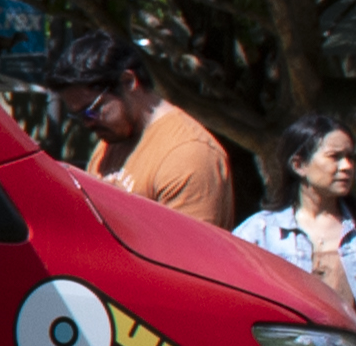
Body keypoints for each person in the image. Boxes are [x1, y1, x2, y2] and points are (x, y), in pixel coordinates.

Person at [53, 35, 240, 227]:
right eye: (78, 116)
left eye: (91, 110)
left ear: (128, 82)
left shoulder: (188, 155)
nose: (87, 123)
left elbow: (186, 254)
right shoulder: (112, 140)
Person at [236, 118, 356, 317]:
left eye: (350, 157)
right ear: (299, 164)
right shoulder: (260, 232)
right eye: (334, 157)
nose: (346, 166)